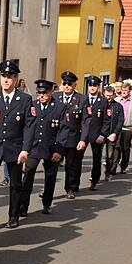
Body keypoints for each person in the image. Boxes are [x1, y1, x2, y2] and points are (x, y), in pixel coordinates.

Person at [0, 60, 35, 229]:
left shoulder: (25, 99)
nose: (6, 80)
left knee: (15, 185)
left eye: (9, 77)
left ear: (15, 79)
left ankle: (13, 215)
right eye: (3, 76)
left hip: (15, 148)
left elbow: (29, 126)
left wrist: (25, 149)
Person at [20, 80, 68, 215]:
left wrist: (59, 150)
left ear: (51, 92)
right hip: (33, 147)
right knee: (28, 177)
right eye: (39, 92)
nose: (41, 95)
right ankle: (23, 207)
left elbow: (63, 130)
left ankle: (47, 203)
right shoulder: (32, 106)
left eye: (44, 93)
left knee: (50, 177)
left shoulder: (60, 107)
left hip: (51, 147)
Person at [54, 71, 90, 200]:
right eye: (64, 83)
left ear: (74, 85)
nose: (67, 86)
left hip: (73, 137)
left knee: (71, 165)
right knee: (53, 166)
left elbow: (86, 121)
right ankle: (49, 191)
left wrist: (83, 139)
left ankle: (70, 188)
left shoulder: (82, 99)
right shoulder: (56, 97)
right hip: (57, 138)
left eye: (70, 83)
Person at [112, 80, 132, 174]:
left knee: (125, 148)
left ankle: (124, 165)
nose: (124, 92)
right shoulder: (116, 100)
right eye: (122, 90)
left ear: (130, 91)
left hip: (128, 128)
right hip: (117, 128)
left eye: (126, 90)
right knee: (116, 147)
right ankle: (113, 166)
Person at [85, 76, 107, 190]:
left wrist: (102, 134)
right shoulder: (83, 99)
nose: (92, 88)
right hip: (83, 134)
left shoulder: (103, 101)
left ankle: (95, 179)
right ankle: (74, 183)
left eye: (95, 86)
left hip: (97, 134)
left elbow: (106, 120)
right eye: (91, 86)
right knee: (77, 158)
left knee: (96, 158)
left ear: (98, 87)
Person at [103, 86, 125, 180]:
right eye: (107, 95)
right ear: (104, 94)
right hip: (101, 133)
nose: (109, 97)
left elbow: (120, 121)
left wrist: (115, 133)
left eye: (111, 96)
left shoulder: (118, 106)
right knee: (97, 154)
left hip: (112, 133)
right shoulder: (101, 105)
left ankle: (109, 172)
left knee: (110, 155)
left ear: (114, 95)